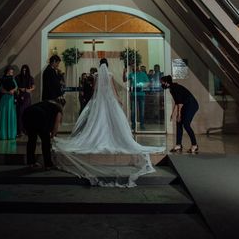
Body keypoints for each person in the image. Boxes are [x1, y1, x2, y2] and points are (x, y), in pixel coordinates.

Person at [54, 58, 164, 186]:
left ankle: (97, 137)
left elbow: (95, 88)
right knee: (113, 120)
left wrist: (93, 100)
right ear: (107, 65)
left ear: (99, 65)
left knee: (97, 120)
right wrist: (117, 99)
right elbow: (112, 88)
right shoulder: (110, 74)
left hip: (100, 101)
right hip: (109, 100)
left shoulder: (96, 75)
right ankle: (112, 137)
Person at [161, 75, 199, 154]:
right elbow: (177, 102)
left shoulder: (175, 88)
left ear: (166, 82)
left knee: (186, 124)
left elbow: (180, 104)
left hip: (191, 105)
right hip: (185, 105)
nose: (161, 84)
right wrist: (173, 114)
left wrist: (179, 115)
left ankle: (194, 145)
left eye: (162, 82)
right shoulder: (172, 88)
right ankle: (178, 145)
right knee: (179, 123)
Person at [22, 100, 63, 170]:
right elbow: (56, 126)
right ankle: (48, 164)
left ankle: (31, 163)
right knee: (46, 141)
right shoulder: (58, 110)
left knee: (32, 140)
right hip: (40, 116)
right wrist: (52, 136)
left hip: (27, 113)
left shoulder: (46, 104)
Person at [123, 64, 150, 130]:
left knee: (142, 110)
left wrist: (141, 86)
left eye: (136, 66)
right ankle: (133, 125)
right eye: (133, 66)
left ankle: (142, 124)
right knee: (133, 111)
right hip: (133, 95)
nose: (134, 67)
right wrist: (124, 72)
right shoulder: (131, 74)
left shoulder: (143, 74)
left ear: (138, 67)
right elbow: (124, 80)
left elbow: (148, 83)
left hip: (141, 94)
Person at [0, 67, 18, 140]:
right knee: (4, 115)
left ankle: (11, 134)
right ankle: (3, 134)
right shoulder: (1, 79)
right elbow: (0, 89)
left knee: (11, 115)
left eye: (12, 72)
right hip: (4, 98)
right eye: (11, 72)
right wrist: (8, 92)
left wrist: (13, 90)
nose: (12, 73)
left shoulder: (12, 79)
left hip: (11, 99)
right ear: (7, 72)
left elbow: (16, 87)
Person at [15, 64, 35, 136]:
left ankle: (26, 130)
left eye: (25, 70)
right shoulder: (17, 77)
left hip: (27, 96)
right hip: (20, 96)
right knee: (20, 113)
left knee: (27, 113)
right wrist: (20, 89)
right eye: (23, 70)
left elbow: (33, 86)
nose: (24, 71)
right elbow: (15, 86)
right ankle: (20, 130)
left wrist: (29, 89)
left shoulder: (30, 77)